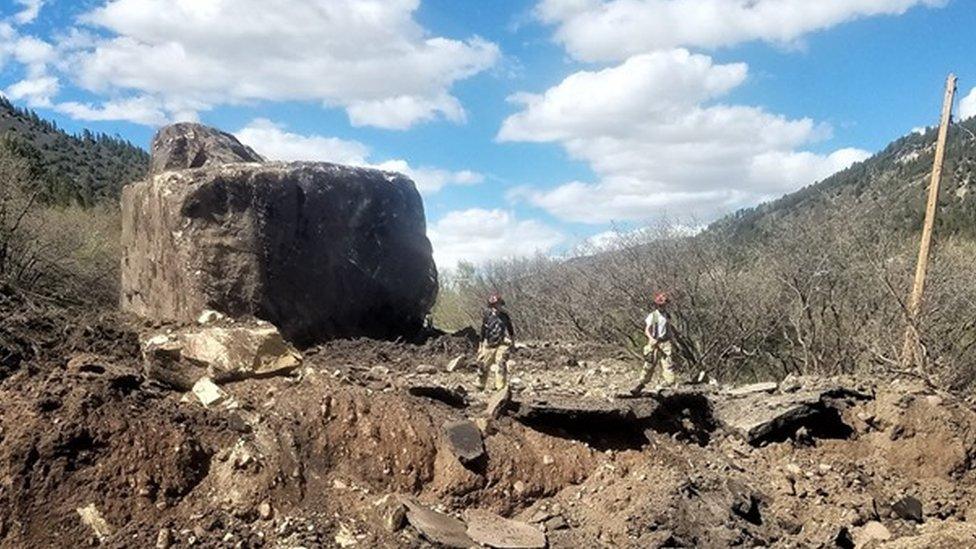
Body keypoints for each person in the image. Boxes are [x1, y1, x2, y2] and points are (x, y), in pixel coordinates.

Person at [632, 291, 676, 395]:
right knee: (649, 365)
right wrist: (651, 338)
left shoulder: (667, 316)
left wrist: (672, 340)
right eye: (661, 304)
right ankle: (640, 384)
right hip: (654, 343)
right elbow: (647, 329)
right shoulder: (652, 316)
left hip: (665, 343)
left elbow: (669, 329)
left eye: (664, 304)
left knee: (668, 367)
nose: (663, 306)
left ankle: (661, 386)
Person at [477, 293, 515, 391]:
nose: (496, 307)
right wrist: (480, 346)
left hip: (501, 343)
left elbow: (510, 330)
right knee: (483, 365)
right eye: (494, 305)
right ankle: (480, 386)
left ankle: (500, 387)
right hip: (489, 344)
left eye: (498, 304)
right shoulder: (487, 316)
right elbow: (483, 331)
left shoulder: (505, 316)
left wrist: (512, 343)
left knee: (501, 363)